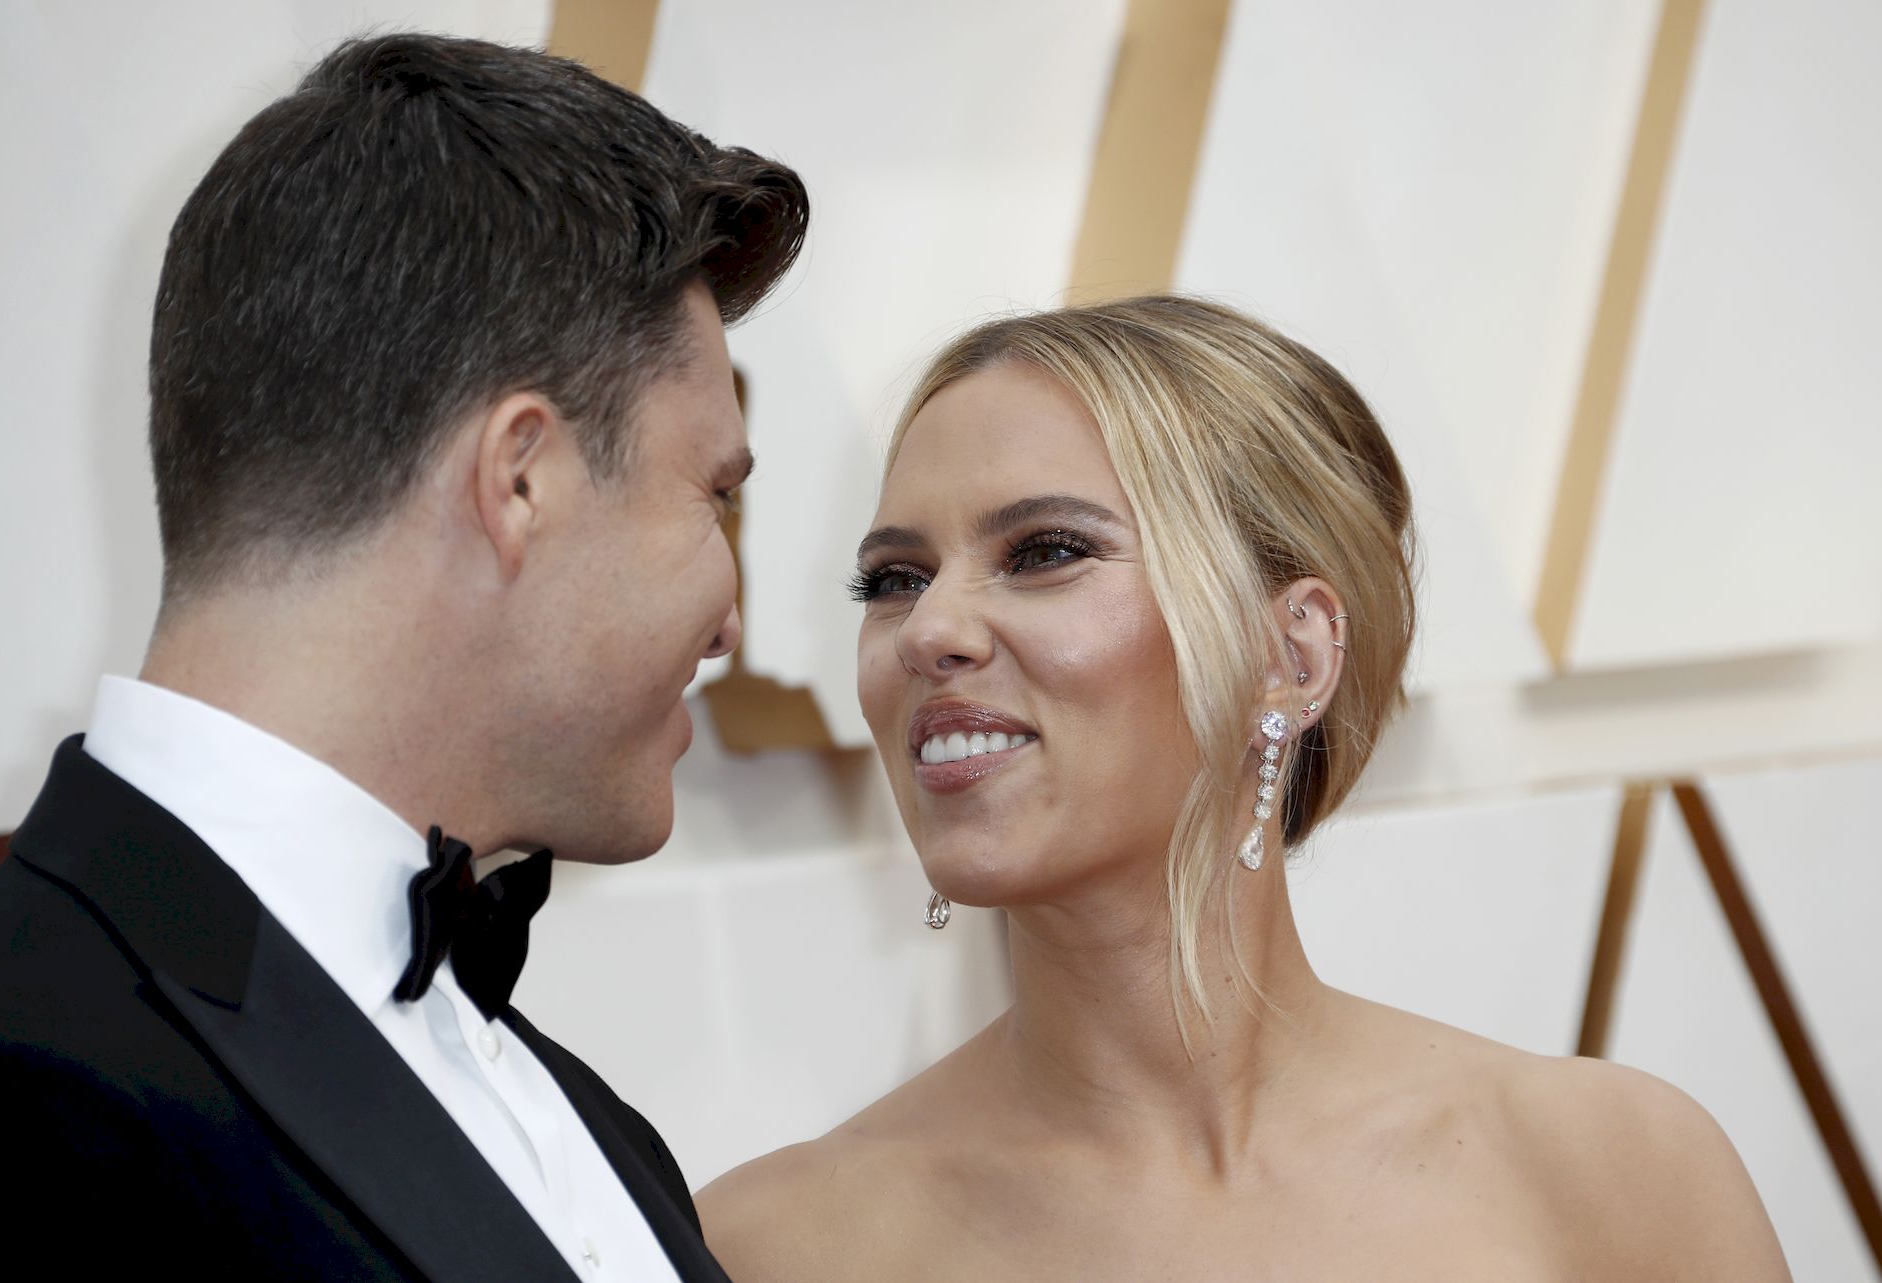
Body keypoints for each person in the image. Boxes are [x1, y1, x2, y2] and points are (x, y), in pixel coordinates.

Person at [696, 295, 1791, 1281]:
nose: (928, 629)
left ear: (1294, 653)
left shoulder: (1610, 1171)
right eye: (894, 578)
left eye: (1043, 551)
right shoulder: (771, 1245)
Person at [0, 32, 804, 1282]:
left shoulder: (583, 1120)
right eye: (714, 493)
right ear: (521, 477)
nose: (733, 618)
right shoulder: (14, 1091)